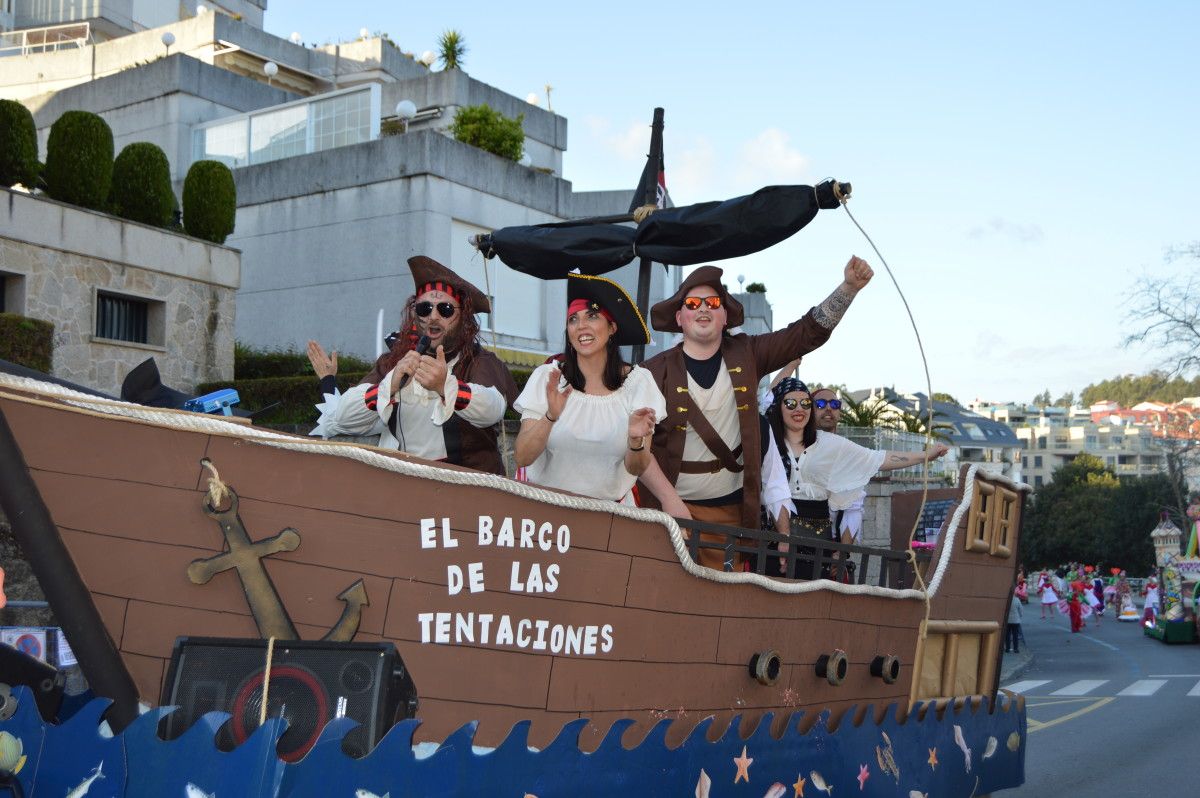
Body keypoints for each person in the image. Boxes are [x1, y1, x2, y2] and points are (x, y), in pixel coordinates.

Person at [636, 257, 875, 567]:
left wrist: (848, 288)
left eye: (713, 302)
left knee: (723, 606)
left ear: (725, 316)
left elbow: (806, 333)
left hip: (731, 516)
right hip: (672, 514)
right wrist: (669, 501)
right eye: (693, 303)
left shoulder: (747, 353)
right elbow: (637, 446)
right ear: (680, 317)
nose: (703, 308)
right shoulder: (653, 372)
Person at [324, 256, 518, 475]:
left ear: (462, 317)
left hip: (467, 491)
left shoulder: (479, 361)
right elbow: (343, 416)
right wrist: (390, 386)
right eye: (424, 308)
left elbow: (492, 409)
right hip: (405, 488)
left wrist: (446, 386)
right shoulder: (392, 363)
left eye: (444, 309)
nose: (433, 317)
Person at [764, 377, 949, 580]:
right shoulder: (767, 442)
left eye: (805, 403)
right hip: (776, 538)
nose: (799, 409)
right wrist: (783, 537)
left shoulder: (831, 444)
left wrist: (925, 456)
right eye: (791, 403)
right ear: (778, 406)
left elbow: (878, 458)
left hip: (818, 541)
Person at [513, 274, 666, 504]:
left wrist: (636, 441)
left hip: (609, 518)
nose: (581, 326)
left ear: (612, 327)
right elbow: (522, 456)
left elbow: (637, 467)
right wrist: (550, 417)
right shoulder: (549, 378)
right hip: (545, 515)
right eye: (573, 319)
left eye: (592, 316)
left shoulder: (638, 383)